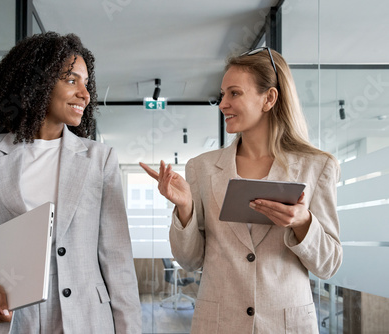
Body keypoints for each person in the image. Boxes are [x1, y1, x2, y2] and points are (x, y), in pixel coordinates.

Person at [0, 32, 141, 334]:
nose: (85, 93)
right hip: (9, 321)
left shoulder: (100, 159)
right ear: (37, 83)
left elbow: (117, 258)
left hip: (86, 321)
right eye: (72, 80)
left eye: (86, 83)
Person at [140, 47, 342, 333]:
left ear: (269, 98)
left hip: (287, 325)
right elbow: (190, 261)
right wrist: (185, 209)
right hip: (219, 324)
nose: (223, 104)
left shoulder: (317, 167)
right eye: (223, 95)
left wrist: (303, 223)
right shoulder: (202, 168)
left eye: (234, 93)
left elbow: (329, 264)